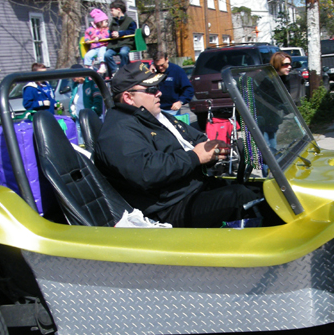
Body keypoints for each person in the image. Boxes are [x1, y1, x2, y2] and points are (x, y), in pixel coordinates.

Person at [94, 63, 260, 228]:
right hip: (168, 208)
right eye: (151, 89)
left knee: (260, 190)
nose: (159, 93)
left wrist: (212, 151)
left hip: (193, 189)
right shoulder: (117, 131)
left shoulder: (156, 116)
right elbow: (147, 172)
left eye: (158, 87)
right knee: (240, 197)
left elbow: (195, 138)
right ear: (128, 97)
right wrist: (195, 157)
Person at [154, 50, 194, 116]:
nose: (160, 68)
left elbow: (189, 89)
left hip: (173, 110)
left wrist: (180, 101)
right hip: (157, 109)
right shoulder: (153, 72)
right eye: (157, 66)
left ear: (167, 60)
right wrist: (150, 74)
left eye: (162, 65)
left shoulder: (177, 71)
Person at [104, 0, 137, 76]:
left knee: (123, 52)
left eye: (112, 10)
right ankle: (114, 70)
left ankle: (123, 70)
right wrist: (112, 35)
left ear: (119, 10)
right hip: (114, 45)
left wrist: (120, 33)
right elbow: (110, 32)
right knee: (107, 55)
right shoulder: (113, 22)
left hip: (126, 43)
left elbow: (132, 31)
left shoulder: (130, 21)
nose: (111, 12)